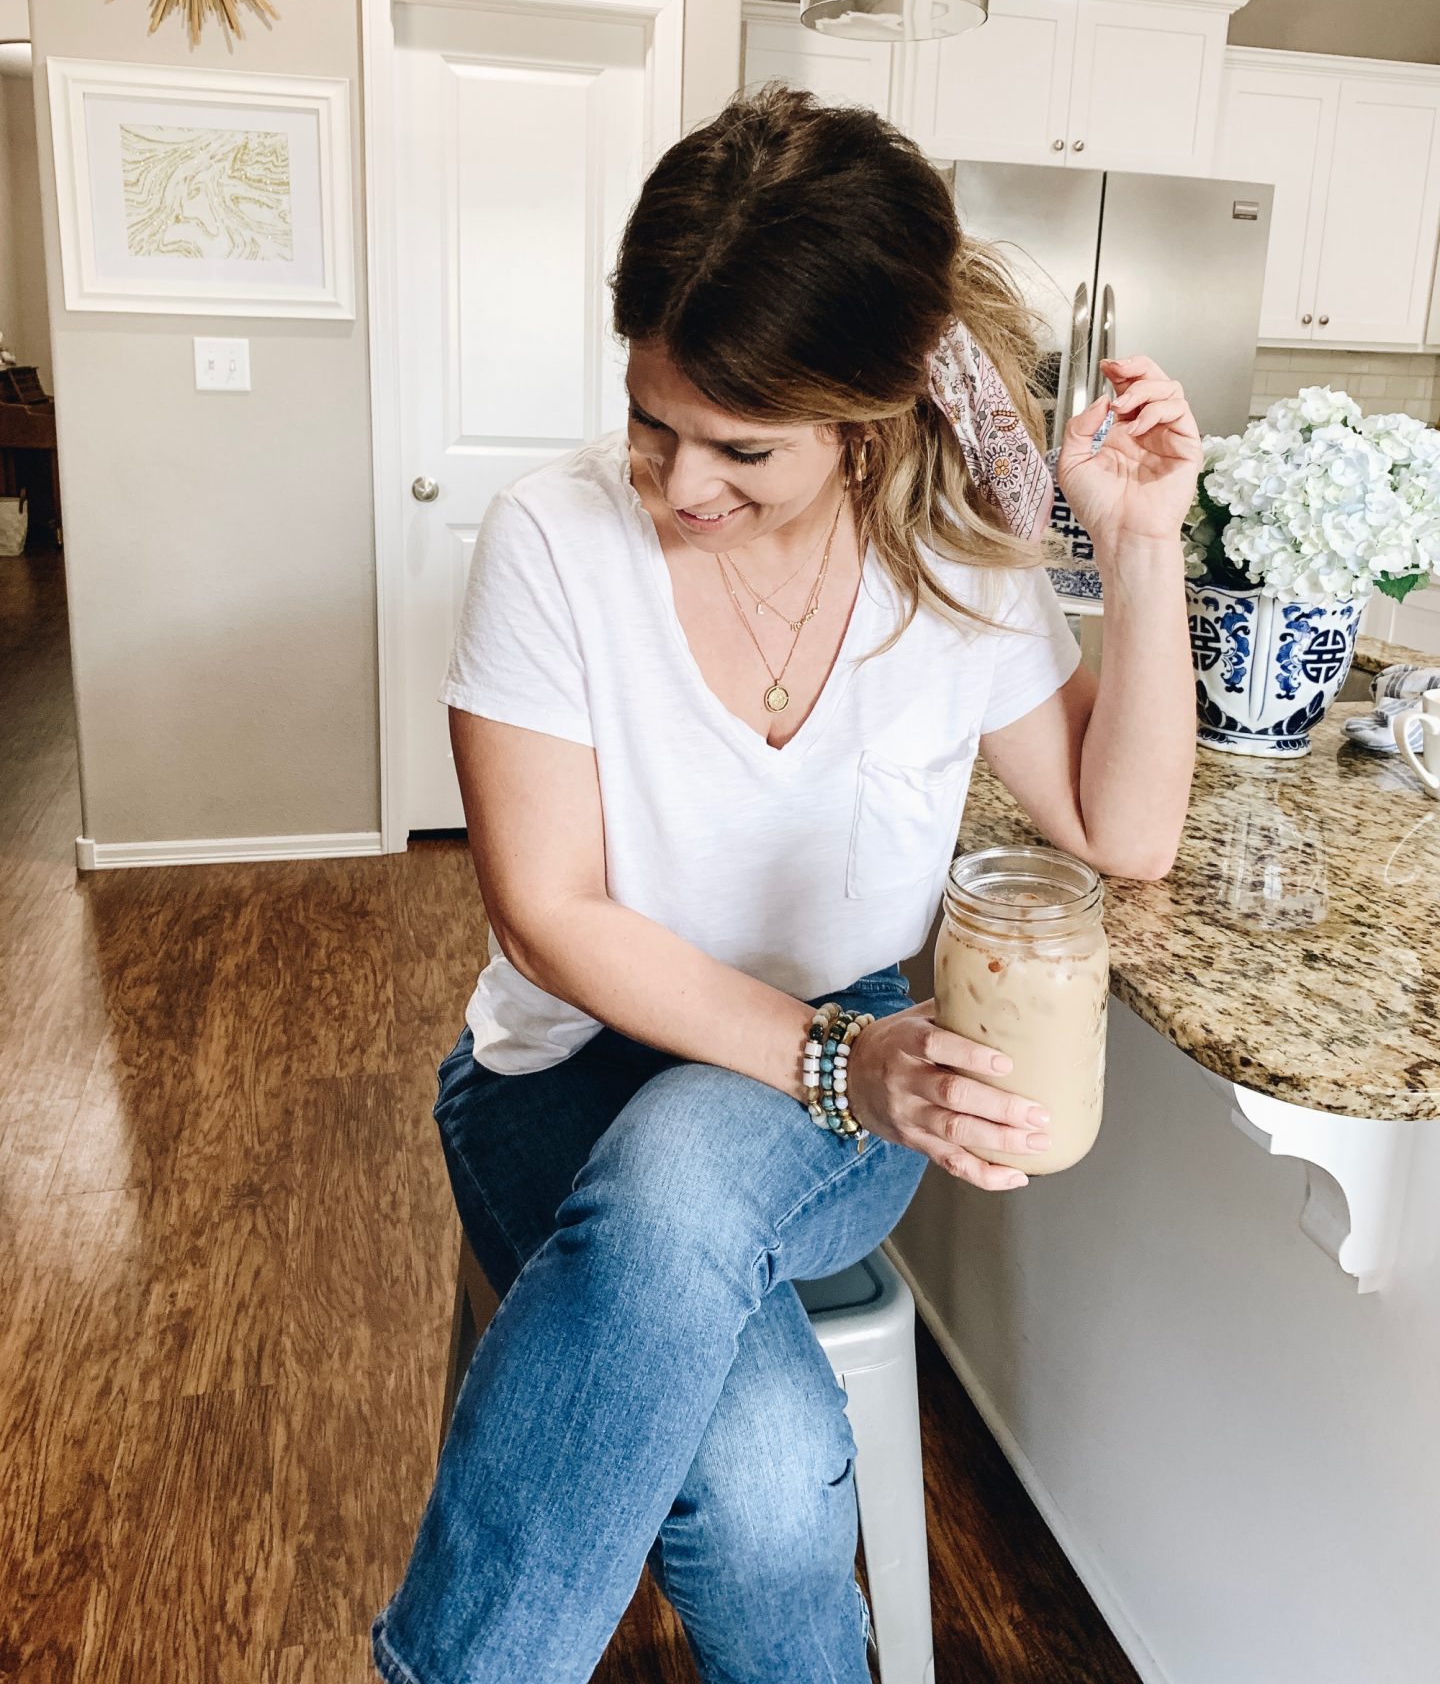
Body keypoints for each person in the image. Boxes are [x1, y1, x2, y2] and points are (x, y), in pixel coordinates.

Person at [371, 84, 1200, 1684]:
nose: (680, 487)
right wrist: (840, 1058)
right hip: (559, 1075)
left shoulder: (954, 570)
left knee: (690, 1175)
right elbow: (550, 913)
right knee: (755, 1490)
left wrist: (1141, 546)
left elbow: (1125, 827)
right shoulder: (552, 541)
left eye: (743, 447)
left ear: (866, 422)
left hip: (836, 1085)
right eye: (651, 421)